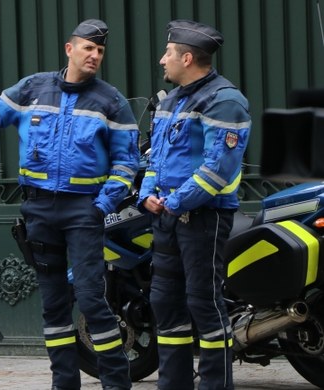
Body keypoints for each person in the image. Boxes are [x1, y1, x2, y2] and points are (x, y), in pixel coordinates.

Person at [0, 19, 138, 390]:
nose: (94, 56)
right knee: (54, 307)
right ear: (69, 49)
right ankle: (64, 383)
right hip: (39, 210)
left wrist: (102, 205)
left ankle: (116, 383)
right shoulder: (33, 88)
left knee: (93, 300)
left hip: (84, 212)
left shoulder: (111, 101)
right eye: (88, 48)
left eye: (100, 51)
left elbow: (127, 163)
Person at [138, 20, 250, 390]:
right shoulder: (170, 101)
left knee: (204, 304)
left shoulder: (226, 100)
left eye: (167, 54)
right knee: (166, 306)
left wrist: (173, 200)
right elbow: (156, 158)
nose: (161, 60)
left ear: (187, 58)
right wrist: (147, 194)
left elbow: (217, 170)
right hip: (167, 219)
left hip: (204, 219)